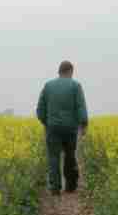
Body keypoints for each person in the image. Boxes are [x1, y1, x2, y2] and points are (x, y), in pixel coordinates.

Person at [35, 60, 89, 195]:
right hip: (70, 128)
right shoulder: (75, 86)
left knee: (53, 157)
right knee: (70, 155)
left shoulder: (48, 86)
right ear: (70, 71)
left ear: (59, 71)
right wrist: (83, 124)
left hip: (53, 128)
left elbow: (40, 109)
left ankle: (55, 188)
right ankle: (70, 186)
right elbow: (80, 106)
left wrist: (46, 122)